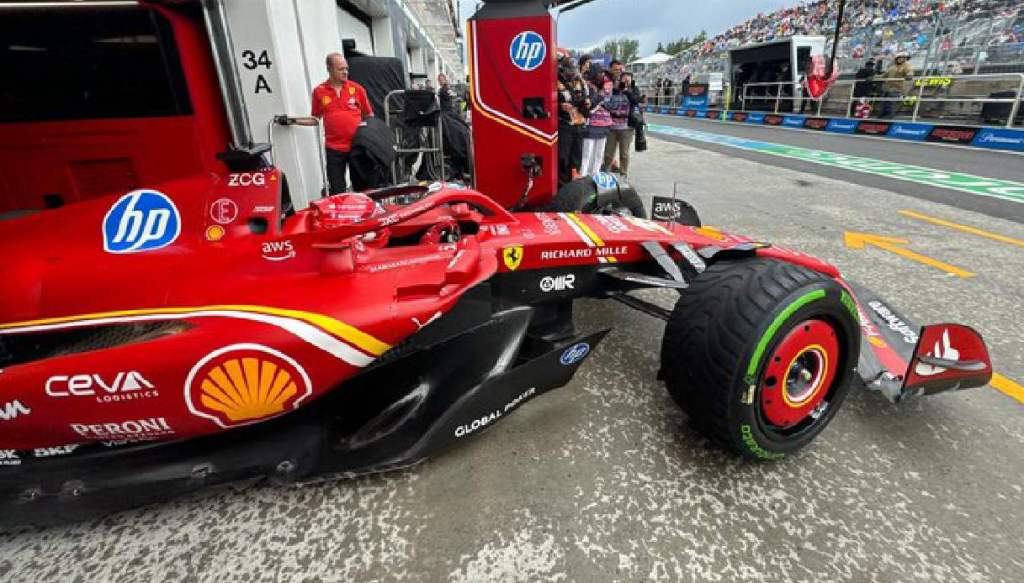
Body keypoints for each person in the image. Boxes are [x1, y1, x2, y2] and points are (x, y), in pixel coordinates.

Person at [306, 52, 373, 194]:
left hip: (357, 146)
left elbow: (369, 115)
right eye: (341, 69)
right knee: (337, 189)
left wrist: (369, 139)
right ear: (329, 69)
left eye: (346, 68)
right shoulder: (319, 92)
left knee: (363, 188)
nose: (345, 72)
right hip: (334, 148)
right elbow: (315, 118)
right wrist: (293, 121)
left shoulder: (357, 89)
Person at [557, 56, 590, 185]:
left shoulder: (581, 82)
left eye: (574, 70)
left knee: (577, 158)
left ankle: (573, 184)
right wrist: (560, 106)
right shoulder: (555, 82)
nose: (572, 74)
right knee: (563, 158)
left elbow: (588, 99)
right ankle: (562, 186)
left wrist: (587, 104)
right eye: (569, 70)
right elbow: (549, 103)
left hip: (579, 125)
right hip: (565, 126)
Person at [601, 62, 638, 178]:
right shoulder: (612, 87)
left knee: (624, 154)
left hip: (627, 127)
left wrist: (628, 90)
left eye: (628, 80)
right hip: (612, 126)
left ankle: (623, 177)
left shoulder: (633, 89)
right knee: (608, 154)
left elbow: (636, 102)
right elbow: (606, 103)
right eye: (616, 70)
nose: (625, 81)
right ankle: (605, 176)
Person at [581, 66, 612, 177]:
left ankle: (596, 175)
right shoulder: (587, 85)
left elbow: (606, 101)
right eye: (599, 73)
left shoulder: (608, 84)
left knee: (599, 153)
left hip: (604, 123)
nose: (602, 75)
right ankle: (583, 176)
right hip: (591, 123)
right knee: (587, 154)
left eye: (603, 73)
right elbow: (589, 102)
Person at [880, 53, 913, 118]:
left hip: (896, 87)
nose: (901, 59)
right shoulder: (892, 67)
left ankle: (890, 116)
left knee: (891, 102)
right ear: (896, 59)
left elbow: (909, 71)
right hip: (887, 87)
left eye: (903, 58)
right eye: (899, 58)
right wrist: (873, 77)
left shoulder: (906, 65)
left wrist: (910, 75)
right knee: (884, 102)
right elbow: (883, 75)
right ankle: (883, 114)